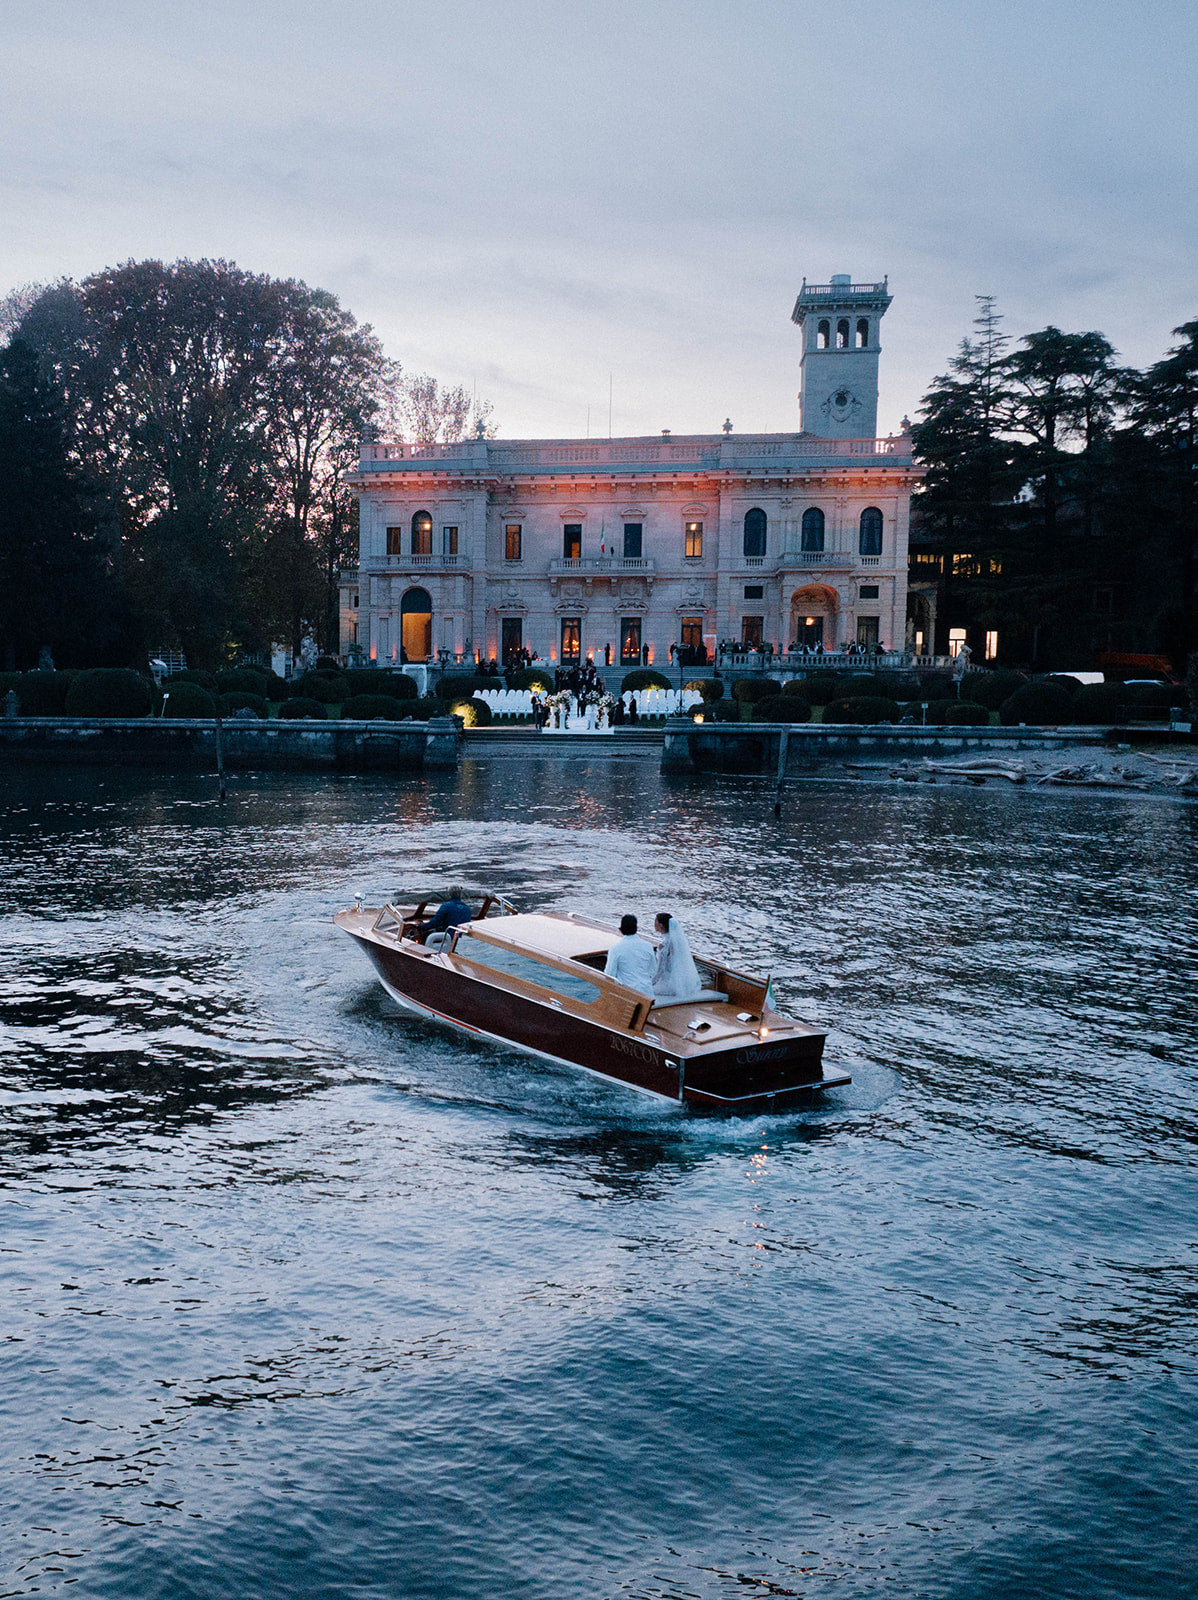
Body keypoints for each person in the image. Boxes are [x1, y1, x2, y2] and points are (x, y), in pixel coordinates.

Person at [652, 912, 702, 1001]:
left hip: (669, 985)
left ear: (660, 925)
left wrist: (651, 983)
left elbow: (660, 970)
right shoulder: (679, 942)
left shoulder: (663, 945)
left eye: (655, 921)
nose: (653, 924)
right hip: (683, 983)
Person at [604, 914, 656, 996]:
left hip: (628, 994)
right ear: (636, 928)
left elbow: (609, 975)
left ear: (621, 929)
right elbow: (653, 970)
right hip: (647, 992)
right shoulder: (648, 946)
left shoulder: (615, 949)